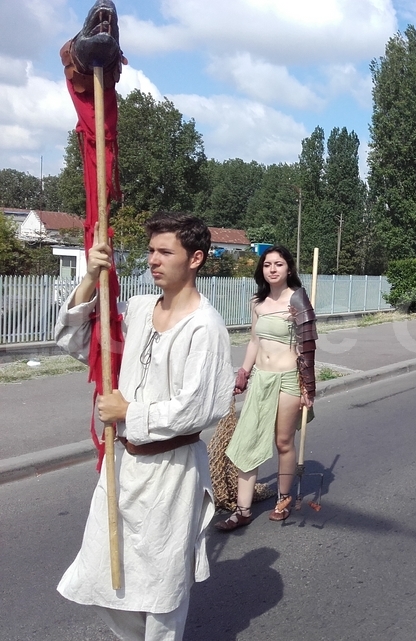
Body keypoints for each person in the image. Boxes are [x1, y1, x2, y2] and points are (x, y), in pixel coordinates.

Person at [55, 212, 233, 640]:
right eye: (151, 250)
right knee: (100, 575)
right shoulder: (137, 308)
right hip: (122, 466)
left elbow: (200, 409)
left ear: (195, 259)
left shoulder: (205, 327)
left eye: (165, 252)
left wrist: (128, 413)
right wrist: (91, 277)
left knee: (162, 590)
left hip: (172, 471)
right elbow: (85, 344)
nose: (153, 259)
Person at [216, 245, 317, 531]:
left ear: (289, 268)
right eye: (267, 264)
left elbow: (308, 348)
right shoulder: (257, 301)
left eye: (278, 264)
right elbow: (254, 341)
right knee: (248, 440)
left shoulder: (297, 300)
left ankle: (283, 499)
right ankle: (242, 510)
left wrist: (308, 388)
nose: (272, 269)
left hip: (288, 380)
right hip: (261, 378)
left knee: (283, 442)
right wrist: (244, 372)